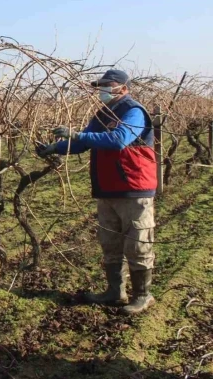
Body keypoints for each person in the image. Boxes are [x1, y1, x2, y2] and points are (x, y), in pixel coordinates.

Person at [38, 69, 157, 315]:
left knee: (137, 244)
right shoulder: (103, 113)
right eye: (100, 85)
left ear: (123, 88)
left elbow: (118, 139)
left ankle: (143, 296)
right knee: (110, 243)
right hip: (107, 189)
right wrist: (54, 148)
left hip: (133, 188)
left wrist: (77, 134)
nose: (102, 89)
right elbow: (83, 142)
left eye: (107, 85)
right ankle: (115, 292)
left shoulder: (133, 111)